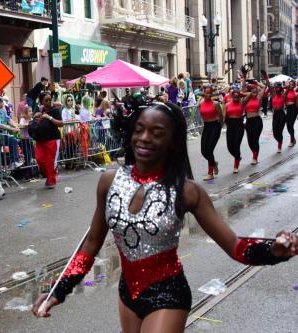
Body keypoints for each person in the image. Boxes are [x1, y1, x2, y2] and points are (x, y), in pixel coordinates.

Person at [32, 101, 298, 332]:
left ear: (172, 142)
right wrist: (60, 289)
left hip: (168, 294)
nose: (144, 138)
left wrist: (272, 250)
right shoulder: (109, 181)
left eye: (156, 133)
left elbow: (235, 246)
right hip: (128, 294)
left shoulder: (186, 191)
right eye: (139, 130)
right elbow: (91, 243)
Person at [31, 92, 63, 188]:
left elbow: (61, 123)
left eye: (50, 100)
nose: (49, 102)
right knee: (39, 159)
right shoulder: (39, 110)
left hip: (52, 139)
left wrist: (49, 118)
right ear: (41, 101)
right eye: (46, 100)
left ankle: (51, 180)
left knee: (51, 161)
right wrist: (35, 116)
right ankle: (48, 175)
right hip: (40, 140)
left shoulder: (55, 111)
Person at [0, 96, 23, 168]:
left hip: (3, 135)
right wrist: (11, 129)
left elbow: (8, 119)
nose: (3, 103)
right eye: (2, 102)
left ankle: (14, 162)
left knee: (13, 141)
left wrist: (15, 126)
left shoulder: (2, 111)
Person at [199, 87, 223, 181]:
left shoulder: (216, 104)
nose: (208, 95)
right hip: (206, 126)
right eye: (206, 93)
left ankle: (210, 173)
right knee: (203, 151)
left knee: (209, 150)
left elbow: (221, 116)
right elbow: (202, 115)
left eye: (210, 93)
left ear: (212, 94)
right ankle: (214, 163)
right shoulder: (200, 104)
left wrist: (219, 127)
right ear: (204, 93)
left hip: (215, 126)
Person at [241, 79, 264, 165]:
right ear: (250, 92)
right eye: (253, 92)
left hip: (257, 120)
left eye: (256, 92)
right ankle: (254, 153)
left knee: (255, 139)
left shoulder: (258, 98)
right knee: (250, 141)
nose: (255, 93)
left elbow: (264, 87)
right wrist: (244, 78)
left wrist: (255, 82)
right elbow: (243, 89)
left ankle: (255, 157)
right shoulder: (246, 99)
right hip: (249, 121)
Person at [224, 89, 245, 173]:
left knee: (236, 145)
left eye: (237, 97)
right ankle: (238, 157)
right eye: (234, 96)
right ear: (232, 96)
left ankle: (236, 165)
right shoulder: (227, 105)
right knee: (229, 146)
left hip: (239, 125)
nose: (236, 98)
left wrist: (242, 93)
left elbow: (249, 94)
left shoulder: (242, 103)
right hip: (230, 125)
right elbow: (224, 116)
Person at [270, 83, 287, 153]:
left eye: (279, 91)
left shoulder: (283, 96)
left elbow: (288, 88)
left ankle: (279, 146)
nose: (277, 92)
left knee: (279, 131)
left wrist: (282, 87)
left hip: (282, 114)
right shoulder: (273, 95)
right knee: (274, 132)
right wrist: (266, 77)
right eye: (276, 90)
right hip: (275, 114)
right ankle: (280, 140)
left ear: (281, 91)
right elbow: (269, 86)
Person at [284, 81, 297, 147]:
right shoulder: (287, 92)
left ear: (294, 85)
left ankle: (292, 141)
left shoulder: (296, 93)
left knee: (290, 124)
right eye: (290, 84)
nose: (291, 85)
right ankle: (293, 138)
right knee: (288, 125)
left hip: (294, 109)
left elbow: (297, 104)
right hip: (288, 109)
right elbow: (283, 98)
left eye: (292, 85)